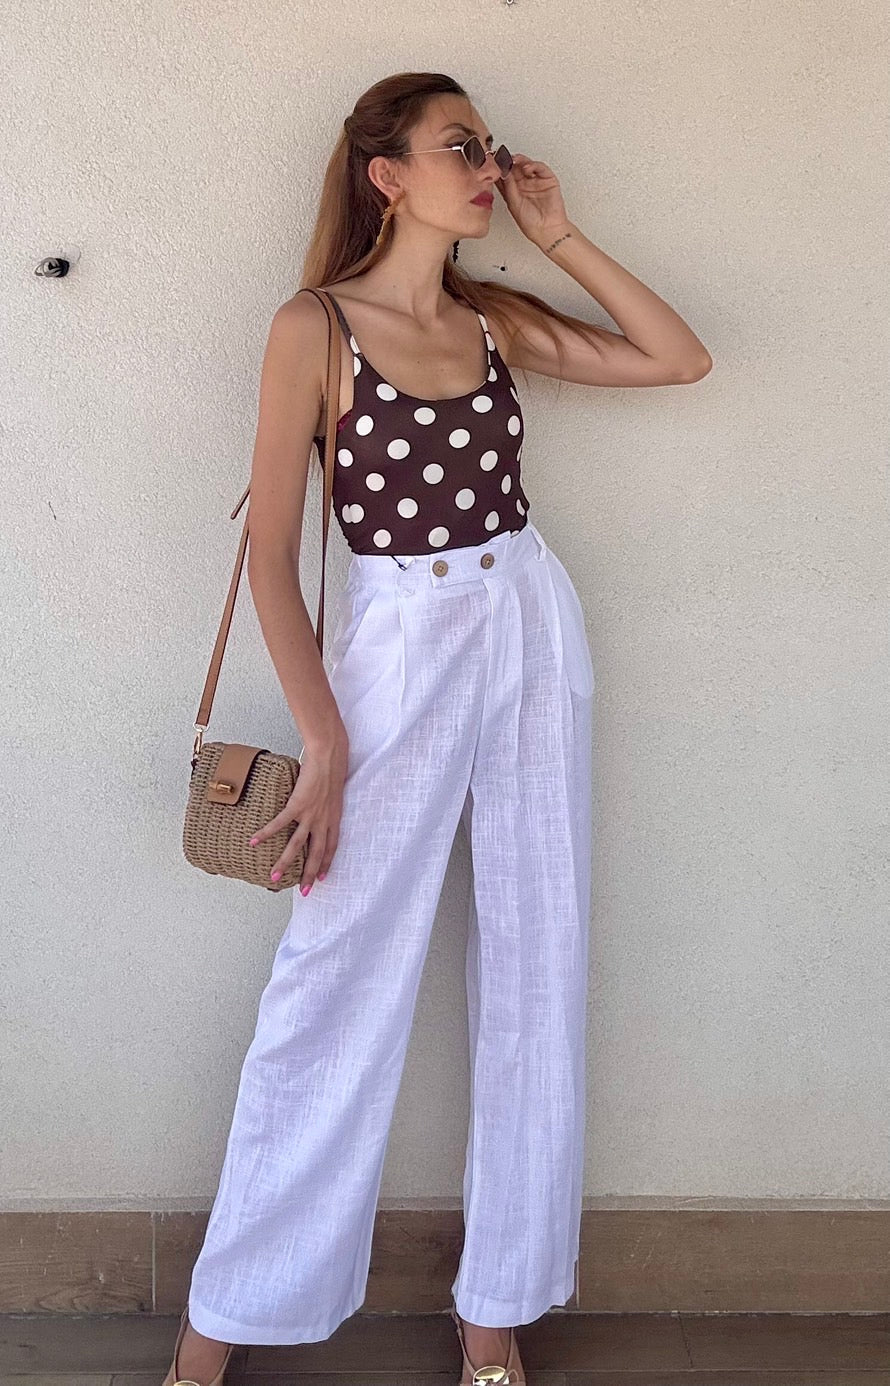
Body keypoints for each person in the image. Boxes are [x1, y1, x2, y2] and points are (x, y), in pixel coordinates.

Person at [163, 71, 711, 1386]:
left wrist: (557, 231)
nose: (487, 169)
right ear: (387, 174)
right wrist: (326, 740)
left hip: (527, 623)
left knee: (539, 955)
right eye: (460, 147)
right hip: (400, 644)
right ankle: (215, 1331)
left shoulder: (488, 317)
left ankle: (494, 1314)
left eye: (488, 147)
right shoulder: (314, 327)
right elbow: (275, 557)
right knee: (332, 975)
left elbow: (676, 355)